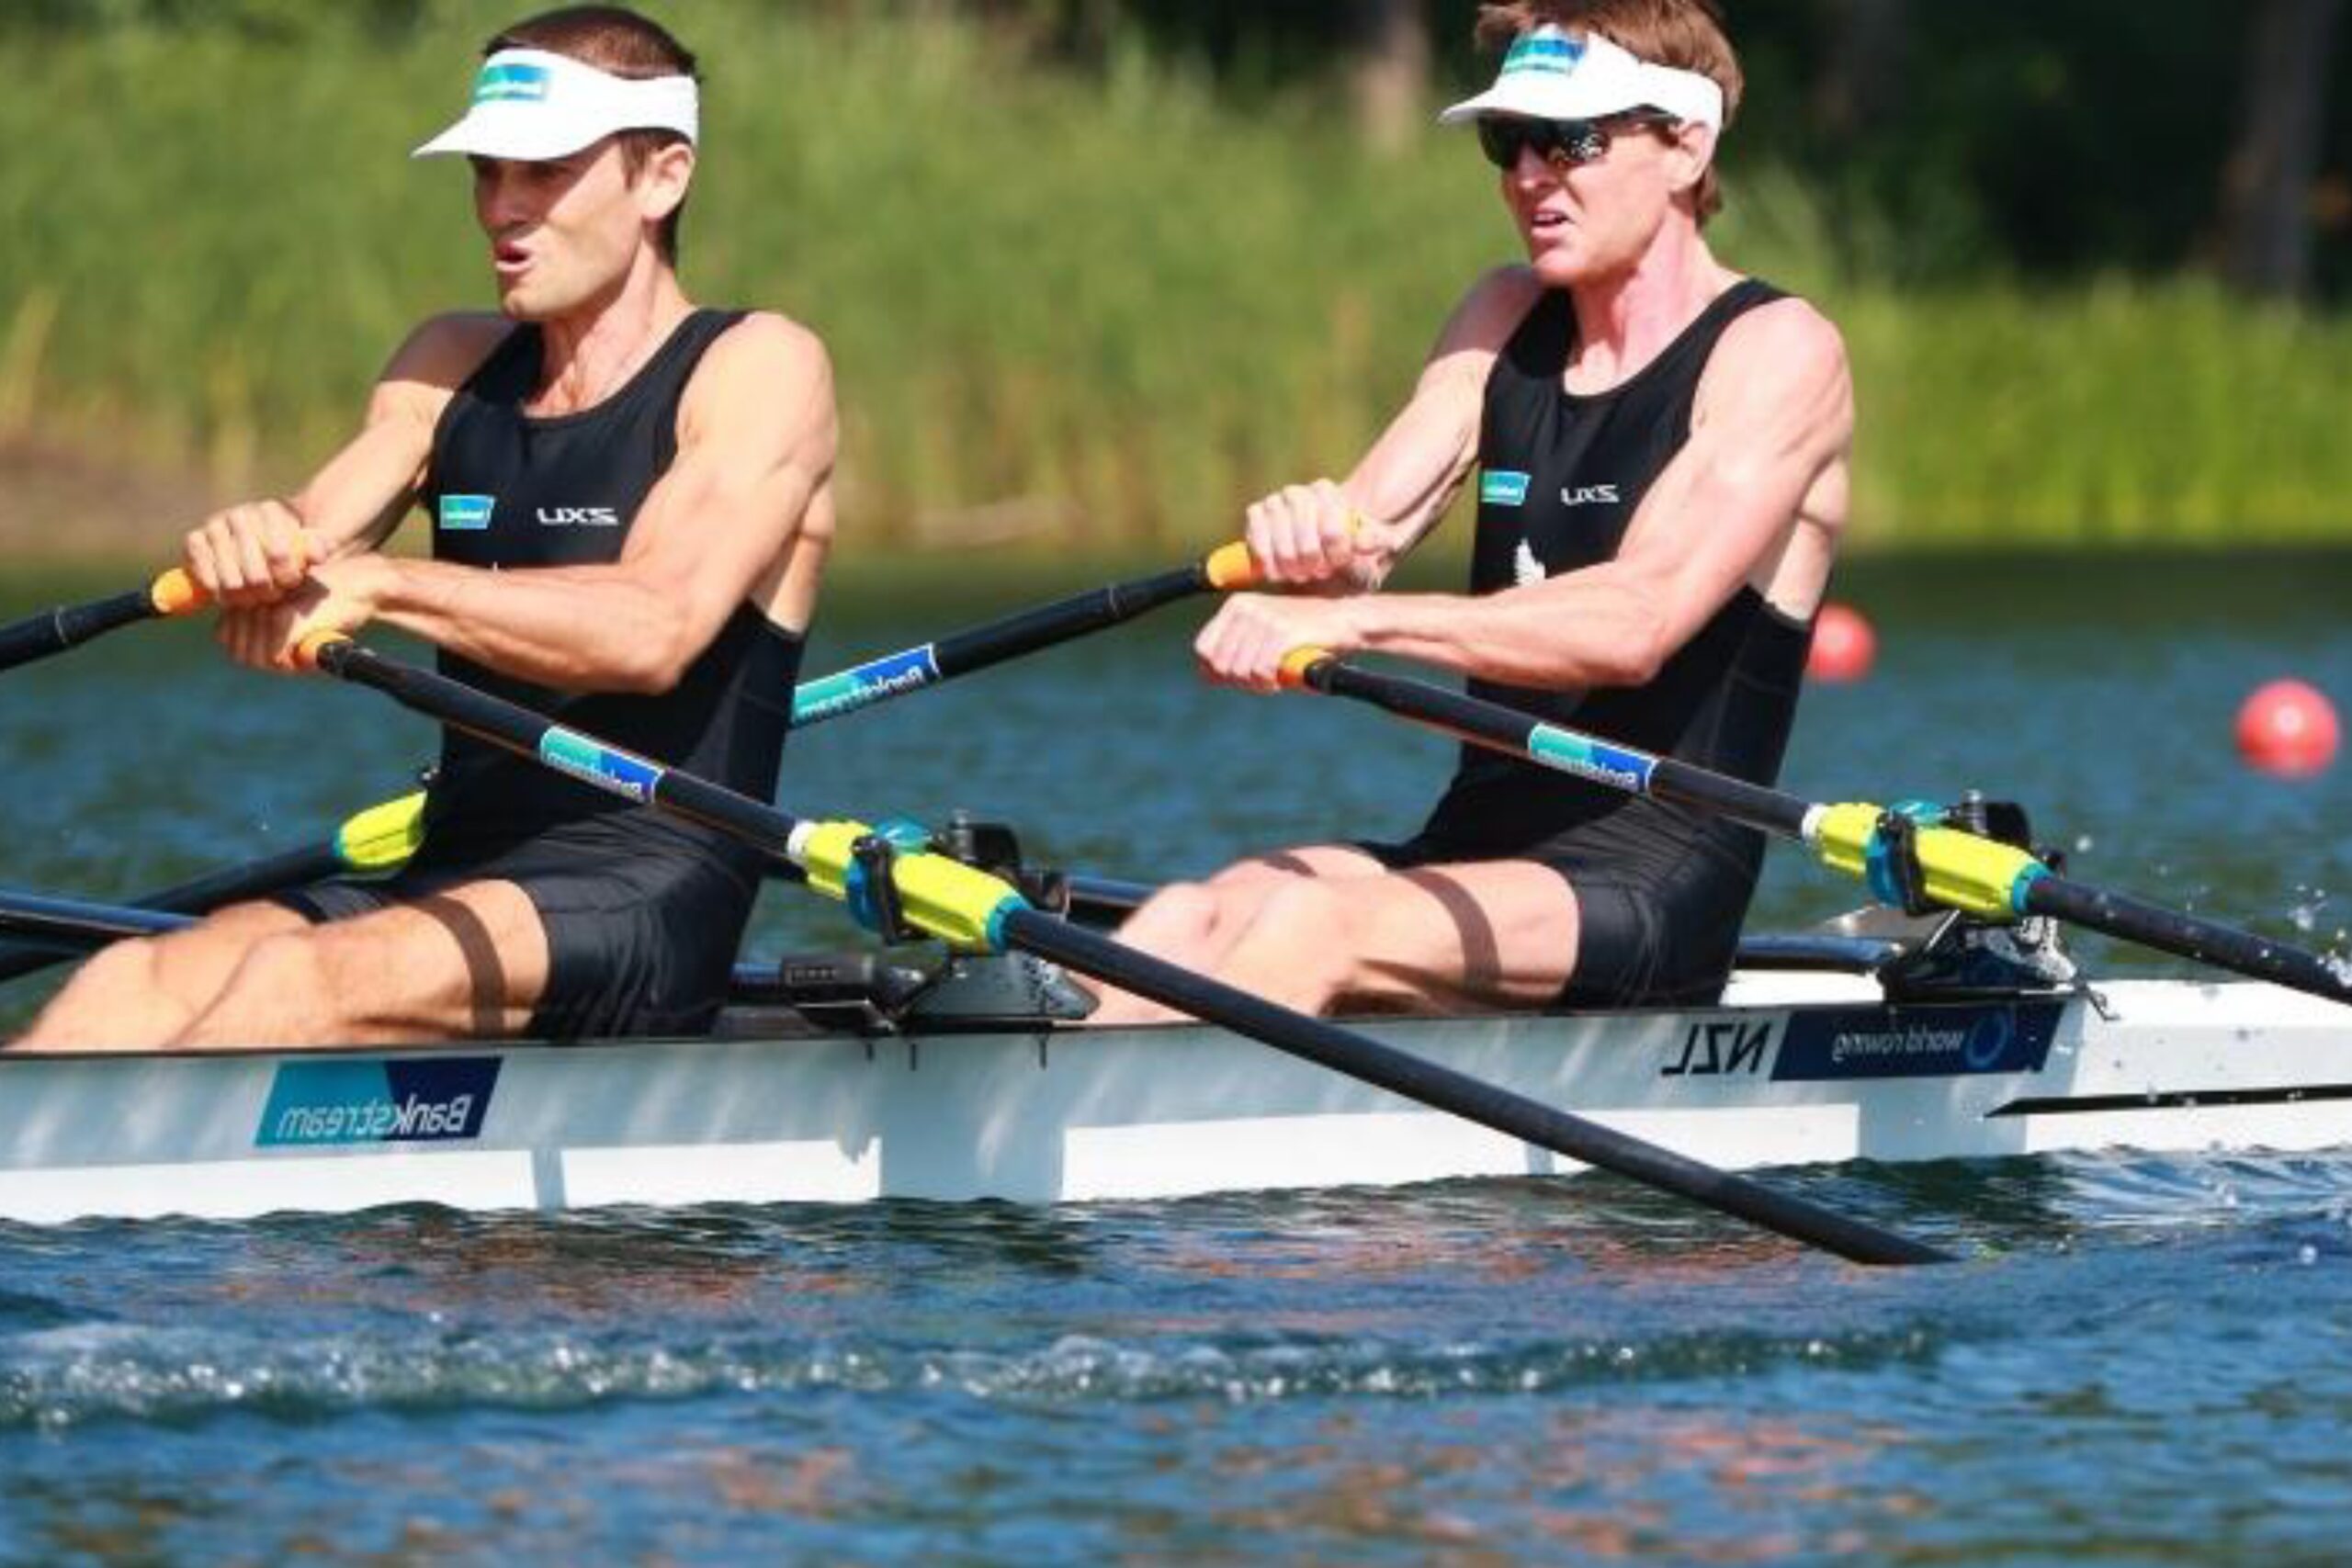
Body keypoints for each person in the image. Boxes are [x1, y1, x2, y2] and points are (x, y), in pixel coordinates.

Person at [12, 5, 836, 1051]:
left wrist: (385, 584)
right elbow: (315, 533)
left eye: (545, 172)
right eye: (487, 172)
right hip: (453, 870)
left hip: (647, 886)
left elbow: (654, 629)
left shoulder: (758, 366)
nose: (502, 208)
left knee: (295, 984)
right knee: (132, 983)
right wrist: (257, 544)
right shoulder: (448, 362)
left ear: (662, 177)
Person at [1092, 0, 1850, 1023]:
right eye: (1508, 142)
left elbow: (1636, 622)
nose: (1529, 175)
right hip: (1471, 849)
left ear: (1686, 146)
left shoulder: (1777, 351)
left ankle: (1165, 1120)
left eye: (1570, 140)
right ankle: (1049, 1113)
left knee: (1308, 925)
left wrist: (1357, 624)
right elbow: (1363, 538)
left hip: (1645, 880)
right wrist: (1308, 534)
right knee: (1199, 911)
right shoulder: (1502, 315)